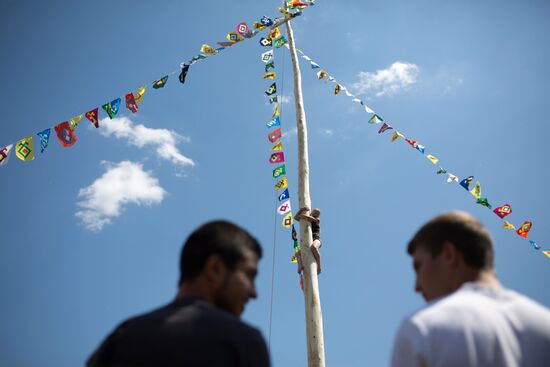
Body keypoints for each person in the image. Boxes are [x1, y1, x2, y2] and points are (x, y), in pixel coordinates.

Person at [87, 220, 270, 367]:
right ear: (215, 269)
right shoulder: (242, 341)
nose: (254, 293)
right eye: (249, 275)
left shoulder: (119, 339)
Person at [391, 211, 550, 367]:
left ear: (449, 255)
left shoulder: (421, 329)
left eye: (418, 267)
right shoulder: (544, 323)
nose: (417, 287)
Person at [294, 207, 322, 274]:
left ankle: (319, 266)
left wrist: (301, 216)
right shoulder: (306, 220)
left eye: (317, 214)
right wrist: (301, 210)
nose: (316, 214)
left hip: (316, 239)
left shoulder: (317, 220)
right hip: (308, 240)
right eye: (315, 212)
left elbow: (309, 218)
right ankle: (300, 266)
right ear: (311, 212)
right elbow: (295, 217)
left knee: (313, 247)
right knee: (297, 253)